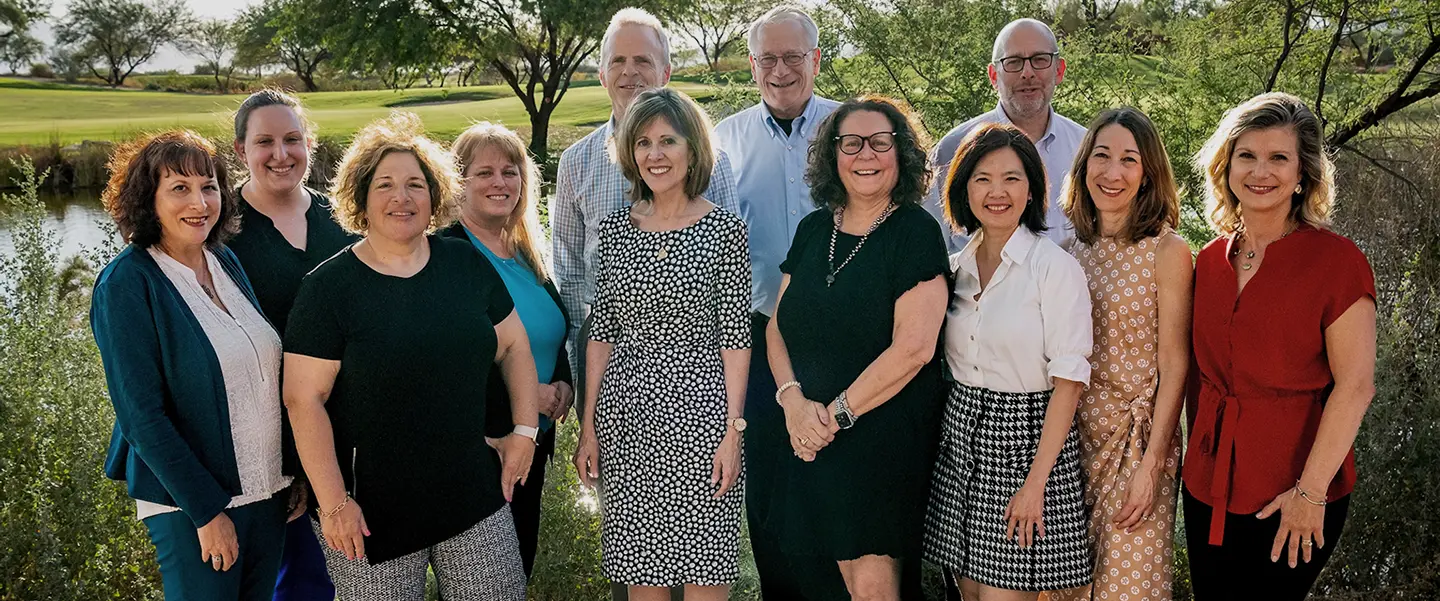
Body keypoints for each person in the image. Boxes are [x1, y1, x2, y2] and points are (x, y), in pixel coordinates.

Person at [282, 112, 537, 600]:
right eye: (385, 185)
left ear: (435, 196)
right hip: (370, 514)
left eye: (416, 185)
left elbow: (514, 346)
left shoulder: (464, 264)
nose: (402, 198)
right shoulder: (328, 290)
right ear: (361, 198)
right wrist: (334, 504)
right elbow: (302, 400)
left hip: (472, 497)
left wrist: (524, 432)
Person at [1184, 92, 1375, 600]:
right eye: (1246, 155)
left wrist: (1310, 494)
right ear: (1226, 166)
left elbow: (1355, 386)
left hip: (1295, 489)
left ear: (1303, 173)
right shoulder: (1209, 261)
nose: (1260, 171)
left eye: (1278, 158)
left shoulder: (1338, 262)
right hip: (1207, 485)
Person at [91, 130, 294, 600]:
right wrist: (206, 511)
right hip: (193, 509)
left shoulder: (223, 260)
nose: (199, 203)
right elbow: (141, 417)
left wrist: (292, 471)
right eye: (179, 188)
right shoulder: (126, 283)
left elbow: (260, 373)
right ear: (148, 199)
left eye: (209, 187)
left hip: (267, 491)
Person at [571, 87, 751, 601]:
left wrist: (733, 432)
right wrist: (588, 428)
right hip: (627, 424)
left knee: (706, 579)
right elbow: (602, 332)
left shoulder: (725, 231)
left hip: (703, 423)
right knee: (643, 583)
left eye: (668, 140)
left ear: (693, 149)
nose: (655, 154)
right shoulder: (616, 232)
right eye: (643, 142)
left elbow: (736, 338)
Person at [766, 95, 949, 601]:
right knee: (826, 583)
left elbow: (914, 349)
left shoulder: (915, 232)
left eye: (880, 142)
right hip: (809, 429)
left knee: (871, 588)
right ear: (833, 155)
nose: (865, 154)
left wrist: (833, 418)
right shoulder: (813, 229)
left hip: (879, 436)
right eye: (851, 143)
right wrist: (793, 404)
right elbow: (777, 327)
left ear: (901, 154)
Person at [924, 123, 1094, 600]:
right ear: (963, 189)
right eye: (982, 178)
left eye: (1011, 178)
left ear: (1032, 189)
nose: (996, 192)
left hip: (1026, 446)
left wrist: (1036, 484)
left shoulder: (1054, 268)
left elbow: (1069, 383)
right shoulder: (955, 268)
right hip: (960, 446)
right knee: (969, 593)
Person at [710, 4, 846, 599]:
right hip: (757, 332)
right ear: (752, 64)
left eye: (793, 56)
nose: (781, 70)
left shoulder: (852, 130)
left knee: (838, 473)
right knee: (768, 482)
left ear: (816, 60)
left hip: (847, 333)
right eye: (769, 58)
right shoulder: (724, 142)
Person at [1048, 107, 1191, 601]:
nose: (1113, 172)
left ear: (1148, 172)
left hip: (1136, 444)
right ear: (1084, 165)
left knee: (1128, 587)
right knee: (1067, 591)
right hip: (1071, 442)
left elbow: (1175, 365)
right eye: (1102, 156)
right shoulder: (1069, 250)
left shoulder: (1168, 251)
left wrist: (1152, 466)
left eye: (1129, 159)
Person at [227, 88, 357, 601]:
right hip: (269, 439)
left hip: (353, 430)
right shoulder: (220, 229)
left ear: (309, 144)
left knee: (361, 574)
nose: (280, 154)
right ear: (240, 150)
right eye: (264, 142)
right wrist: (288, 467)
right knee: (299, 582)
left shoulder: (344, 218)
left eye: (292, 139)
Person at [441, 121, 574, 579]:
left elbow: (549, 329)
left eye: (510, 171)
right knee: (484, 581)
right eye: (484, 172)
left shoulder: (524, 252)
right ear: (458, 181)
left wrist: (564, 383)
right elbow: (449, 354)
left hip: (531, 442)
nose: (500, 182)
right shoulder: (447, 253)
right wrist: (525, 395)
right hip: (483, 445)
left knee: (518, 572)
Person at [923, 18, 1086, 252]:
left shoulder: (1085, 149)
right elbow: (929, 243)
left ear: (1059, 70)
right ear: (993, 76)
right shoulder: (953, 148)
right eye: (1014, 62)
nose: (1027, 73)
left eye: (1040, 59)